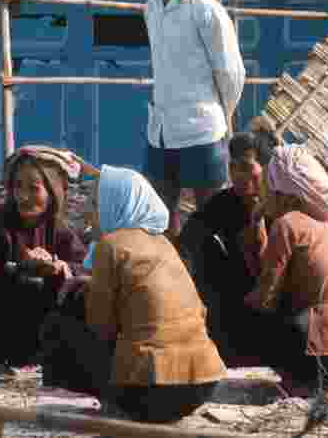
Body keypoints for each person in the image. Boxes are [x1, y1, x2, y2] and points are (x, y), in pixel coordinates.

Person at [39, 165, 225, 424]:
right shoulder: (163, 243)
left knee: (63, 317)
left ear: (117, 204)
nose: (88, 212)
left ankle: (113, 401)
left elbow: (99, 325)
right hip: (201, 383)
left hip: (149, 390)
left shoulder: (111, 245)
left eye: (95, 203)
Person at [242, 145, 328, 396]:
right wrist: (257, 228)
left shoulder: (286, 223)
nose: (262, 194)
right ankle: (310, 377)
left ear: (286, 195)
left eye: (267, 188)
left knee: (250, 313)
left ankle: (299, 380)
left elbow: (266, 294)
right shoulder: (322, 226)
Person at [139, 0, 246, 238]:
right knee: (159, 219)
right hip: (159, 131)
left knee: (211, 223)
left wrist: (219, 115)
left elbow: (231, 74)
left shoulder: (207, 11)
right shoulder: (151, 9)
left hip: (202, 131)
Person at [0, 146, 87, 368]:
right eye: (17, 186)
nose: (23, 196)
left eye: (33, 188)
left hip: (34, 339)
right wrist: (21, 269)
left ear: (53, 190)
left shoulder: (60, 230)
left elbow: (84, 269)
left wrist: (60, 268)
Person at [178, 131, 277, 367]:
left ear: (264, 167)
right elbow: (187, 242)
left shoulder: (281, 204)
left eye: (245, 166)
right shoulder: (224, 203)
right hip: (240, 297)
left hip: (277, 293)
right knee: (205, 247)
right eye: (232, 166)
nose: (237, 175)